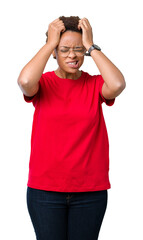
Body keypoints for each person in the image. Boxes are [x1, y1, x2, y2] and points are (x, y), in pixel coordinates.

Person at [17, 16, 126, 240]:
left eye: (78, 49)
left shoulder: (95, 85)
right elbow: (25, 82)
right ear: (54, 53)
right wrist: (49, 44)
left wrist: (91, 45)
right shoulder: (43, 83)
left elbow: (117, 84)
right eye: (64, 49)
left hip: (90, 191)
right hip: (45, 191)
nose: (72, 55)